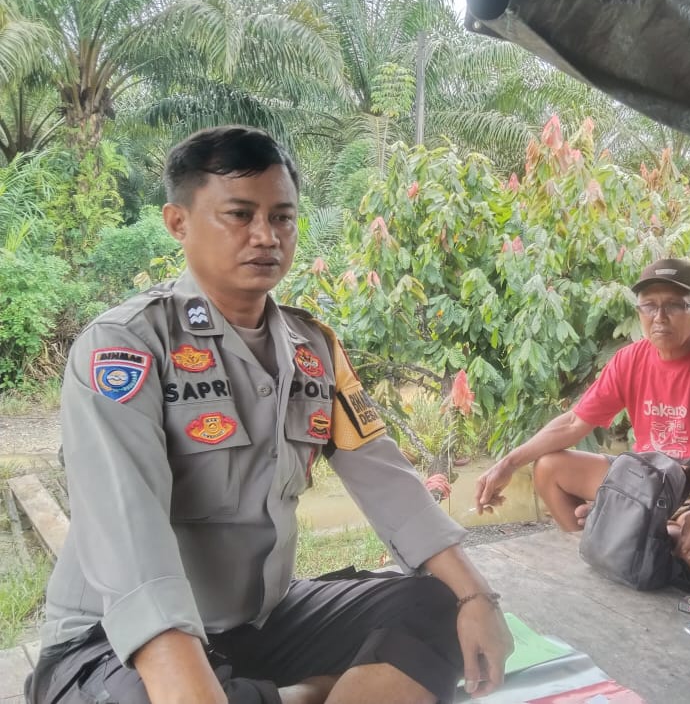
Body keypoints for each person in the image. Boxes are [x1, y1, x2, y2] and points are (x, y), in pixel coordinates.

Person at [27, 126, 512, 704]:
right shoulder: (127, 346)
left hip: (259, 624)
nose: (266, 236)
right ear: (178, 222)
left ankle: (280, 694)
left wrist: (478, 596)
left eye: (282, 217)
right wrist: (186, 686)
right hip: (116, 640)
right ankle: (301, 695)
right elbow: (129, 529)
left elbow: (384, 477)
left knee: (440, 608)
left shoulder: (313, 349)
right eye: (240, 215)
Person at [475, 258, 690, 577]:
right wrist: (508, 463)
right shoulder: (629, 360)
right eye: (649, 305)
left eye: (675, 305)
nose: (659, 316)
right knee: (550, 468)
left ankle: (624, 533)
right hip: (649, 477)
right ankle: (608, 546)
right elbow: (574, 423)